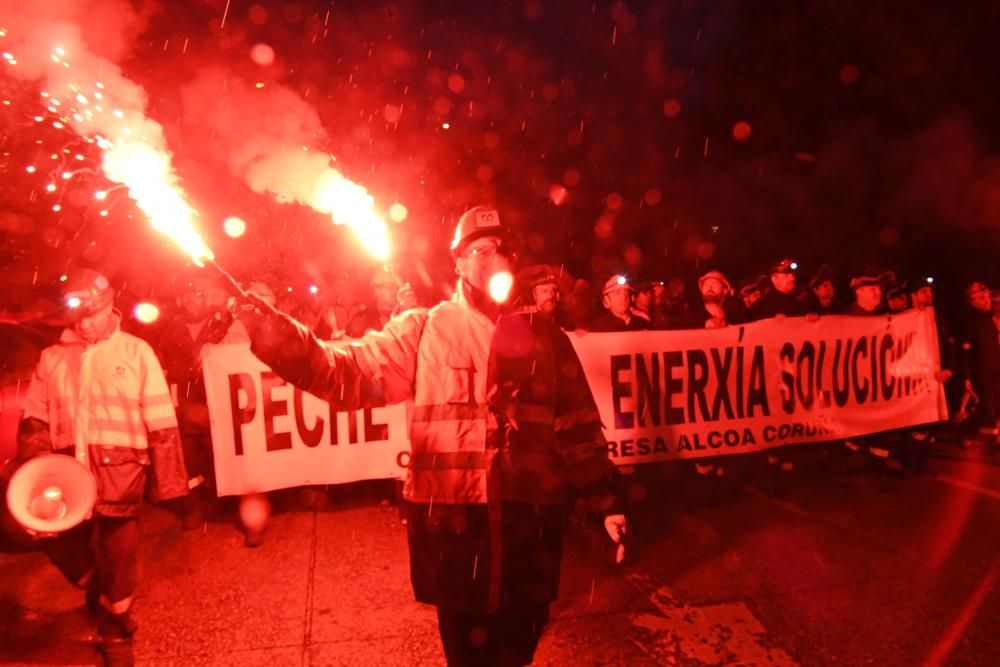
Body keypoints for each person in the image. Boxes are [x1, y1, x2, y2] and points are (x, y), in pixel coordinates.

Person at [236, 204, 628, 666]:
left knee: (519, 651)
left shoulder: (546, 337)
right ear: (459, 262)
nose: (492, 257)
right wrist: (272, 329)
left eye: (501, 248)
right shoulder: (423, 330)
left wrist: (607, 499)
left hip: (530, 532)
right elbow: (345, 373)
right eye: (479, 249)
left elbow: (578, 423)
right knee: (468, 656)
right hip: (456, 534)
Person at [16, 269, 188, 667]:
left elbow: (161, 421)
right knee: (56, 539)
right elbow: (35, 417)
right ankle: (102, 593)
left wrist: (171, 482)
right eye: (77, 315)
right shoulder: (52, 357)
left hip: (121, 471)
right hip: (65, 476)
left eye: (91, 313)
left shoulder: (136, 352)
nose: (83, 323)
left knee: (120, 556)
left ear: (111, 306)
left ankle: (114, 631)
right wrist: (35, 462)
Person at [156, 280, 232, 529]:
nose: (191, 301)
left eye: (197, 295)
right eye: (185, 296)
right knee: (189, 458)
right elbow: (163, 367)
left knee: (220, 453)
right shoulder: (170, 331)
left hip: (219, 400)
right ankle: (195, 505)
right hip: (185, 404)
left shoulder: (223, 326)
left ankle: (226, 501)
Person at [959, 281, 1000, 448]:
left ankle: (967, 431)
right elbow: (965, 353)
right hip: (982, 374)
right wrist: (967, 376)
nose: (986, 299)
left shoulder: (991, 320)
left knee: (993, 408)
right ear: (972, 301)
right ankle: (991, 445)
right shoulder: (970, 322)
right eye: (980, 297)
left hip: (996, 371)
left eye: (986, 296)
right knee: (989, 408)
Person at [345, 266, 418, 337]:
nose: (396, 291)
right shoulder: (363, 319)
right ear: (377, 291)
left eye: (397, 287)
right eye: (390, 287)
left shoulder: (408, 313)